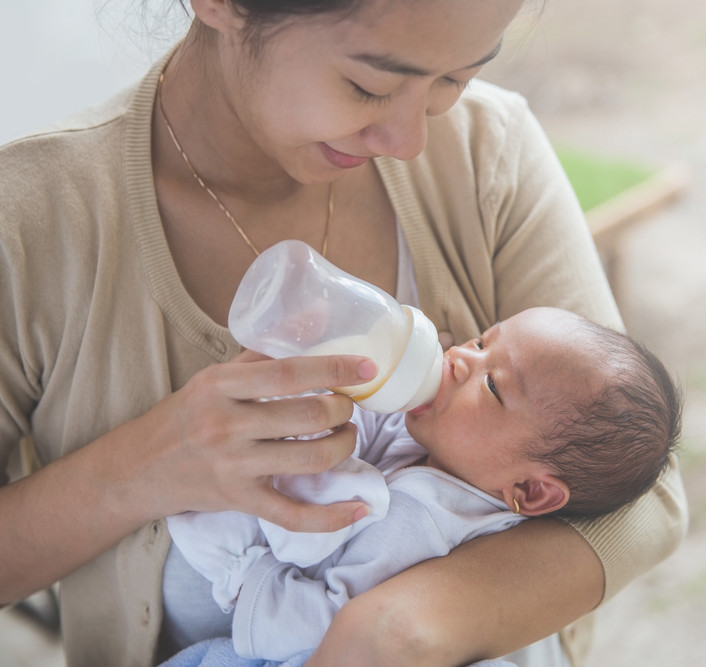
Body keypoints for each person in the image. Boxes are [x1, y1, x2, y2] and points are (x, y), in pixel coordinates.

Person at [0, 1, 687, 666]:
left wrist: (394, 627)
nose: (412, 140)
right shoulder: (31, 224)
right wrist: (139, 470)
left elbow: (644, 503)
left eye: (454, 79)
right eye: (369, 86)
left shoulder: (487, 151)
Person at [164, 306, 681, 665]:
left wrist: (247, 574)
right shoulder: (447, 446)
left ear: (530, 490)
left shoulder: (423, 525)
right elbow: (368, 424)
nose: (459, 357)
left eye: (494, 385)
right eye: (482, 341)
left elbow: (326, 623)